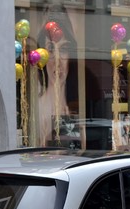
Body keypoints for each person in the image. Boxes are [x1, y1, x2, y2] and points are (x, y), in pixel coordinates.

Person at [36, 9, 79, 146]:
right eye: (50, 49)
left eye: (64, 49)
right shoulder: (37, 108)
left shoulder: (75, 108)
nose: (58, 60)